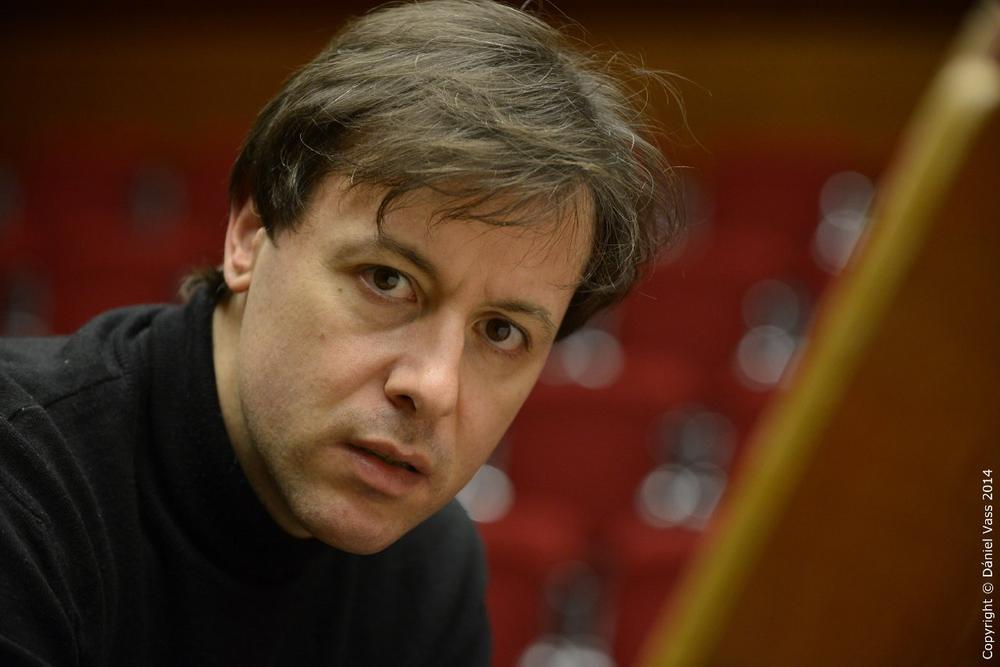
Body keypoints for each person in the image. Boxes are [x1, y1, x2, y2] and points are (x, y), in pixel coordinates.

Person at [0, 0, 677, 664]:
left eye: (500, 331)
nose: (433, 387)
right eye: (386, 280)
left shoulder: (430, 568)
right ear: (250, 234)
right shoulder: (22, 485)